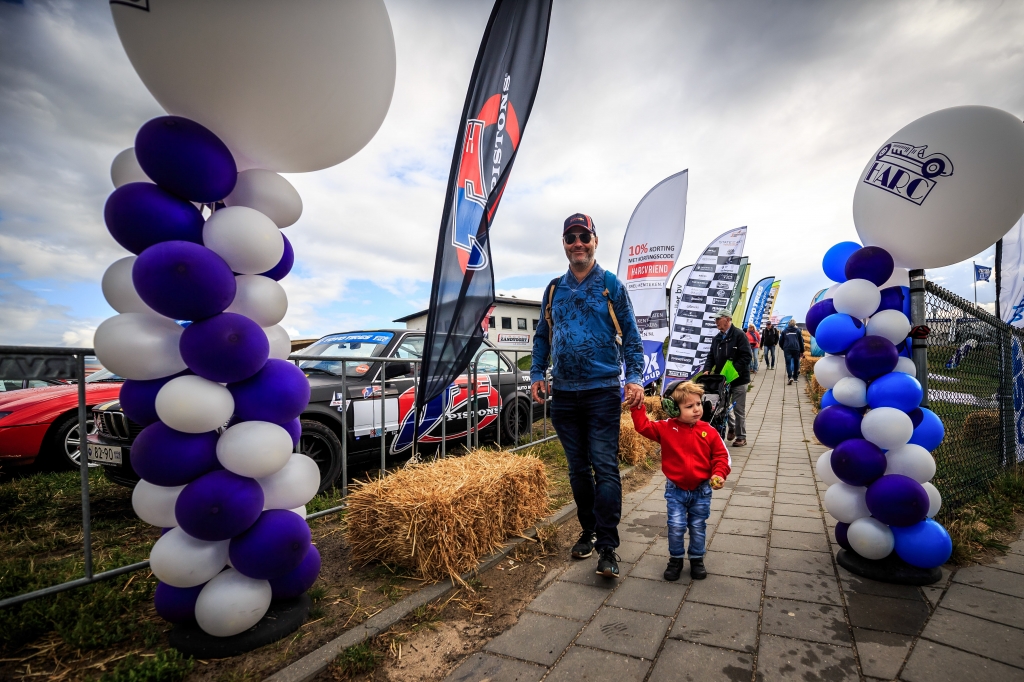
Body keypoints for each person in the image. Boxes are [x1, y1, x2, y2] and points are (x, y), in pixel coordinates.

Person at [531, 212, 645, 579]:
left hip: (601, 392)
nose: (577, 243)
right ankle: (589, 530)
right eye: (571, 238)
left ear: (595, 241)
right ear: (564, 244)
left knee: (605, 467)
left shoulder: (611, 286)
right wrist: (537, 373)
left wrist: (635, 377)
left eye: (584, 237)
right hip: (564, 395)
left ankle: (608, 546)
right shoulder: (554, 289)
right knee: (577, 469)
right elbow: (542, 336)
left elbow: (631, 335)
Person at [630, 381, 730, 580]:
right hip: (675, 490)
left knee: (698, 526)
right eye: (689, 406)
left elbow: (721, 456)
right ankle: (675, 559)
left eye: (698, 404)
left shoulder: (709, 431)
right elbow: (642, 426)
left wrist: (719, 473)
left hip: (701, 490)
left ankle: (696, 558)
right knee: (676, 526)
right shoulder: (666, 428)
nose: (696, 409)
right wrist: (637, 406)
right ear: (673, 408)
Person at [702, 311, 752, 446]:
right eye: (715, 319)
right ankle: (732, 426)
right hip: (722, 380)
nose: (716, 322)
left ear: (728, 319)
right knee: (721, 407)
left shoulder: (739, 335)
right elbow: (711, 356)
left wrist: (732, 371)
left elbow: (747, 356)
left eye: (718, 319)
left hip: (739, 379)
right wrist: (707, 369)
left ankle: (741, 437)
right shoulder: (717, 338)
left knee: (738, 409)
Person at [780, 319, 806, 385]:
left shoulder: (784, 331)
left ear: (788, 324)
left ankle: (790, 377)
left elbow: (780, 341)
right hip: (796, 348)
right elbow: (801, 341)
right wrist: (802, 350)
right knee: (796, 363)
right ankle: (795, 378)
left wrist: (783, 347)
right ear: (795, 324)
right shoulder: (798, 331)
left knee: (788, 363)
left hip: (787, 349)